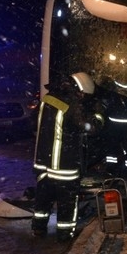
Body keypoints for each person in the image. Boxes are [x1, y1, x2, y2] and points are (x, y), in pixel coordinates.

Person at [31, 72, 96, 242]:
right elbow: (89, 126)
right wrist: (98, 116)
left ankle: (38, 229)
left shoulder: (49, 98)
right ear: (78, 89)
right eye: (83, 94)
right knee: (67, 202)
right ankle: (64, 234)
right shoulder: (71, 104)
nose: (83, 97)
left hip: (43, 163)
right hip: (64, 166)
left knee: (43, 199)